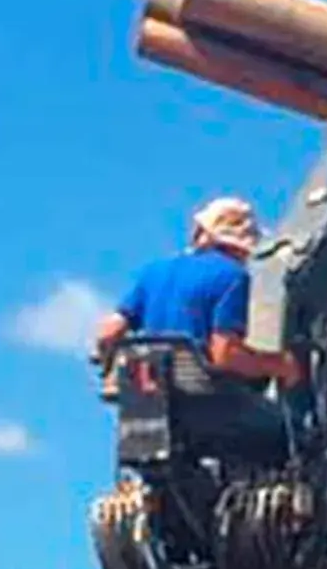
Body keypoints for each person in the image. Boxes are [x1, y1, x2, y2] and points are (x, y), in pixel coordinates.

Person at [92, 196, 303, 462]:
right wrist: (278, 365)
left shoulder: (154, 271)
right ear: (240, 246)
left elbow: (108, 333)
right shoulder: (231, 277)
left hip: (149, 407)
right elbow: (225, 354)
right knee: (294, 433)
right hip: (207, 406)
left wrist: (107, 363)